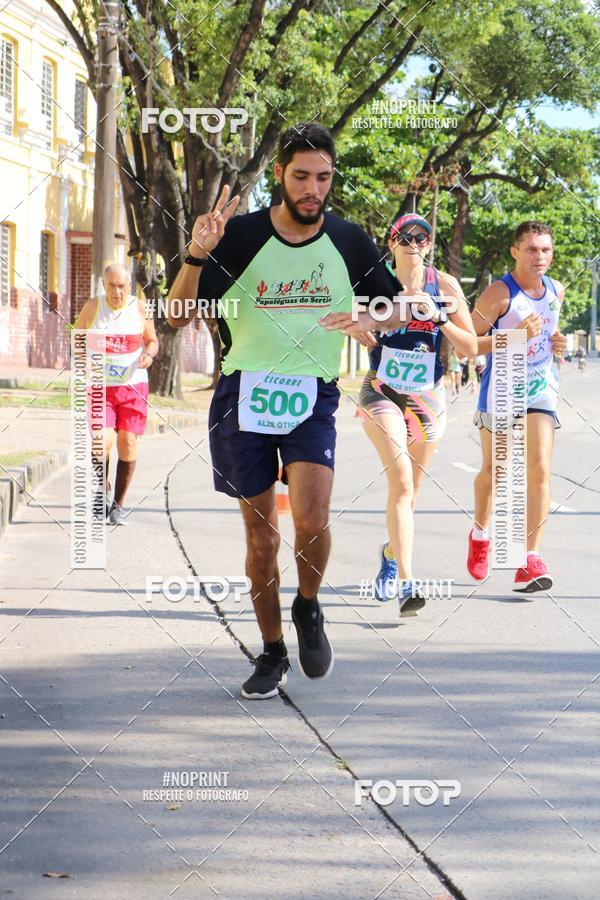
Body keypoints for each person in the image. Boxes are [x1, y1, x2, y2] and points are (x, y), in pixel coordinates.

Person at [167, 123, 401, 699]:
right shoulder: (239, 235)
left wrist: (374, 319)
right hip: (244, 392)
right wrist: (197, 251)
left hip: (312, 394)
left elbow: (396, 309)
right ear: (280, 174)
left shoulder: (349, 241)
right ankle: (271, 653)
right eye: (301, 176)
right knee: (260, 535)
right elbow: (177, 314)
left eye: (323, 177)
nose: (312, 189)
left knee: (313, 519)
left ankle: (309, 604)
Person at [322, 214, 477, 614]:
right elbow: (345, 316)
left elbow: (470, 348)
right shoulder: (374, 281)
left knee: (410, 496)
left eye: (421, 237)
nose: (413, 242)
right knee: (403, 484)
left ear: (429, 244)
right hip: (382, 391)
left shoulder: (444, 286)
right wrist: (353, 327)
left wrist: (438, 316)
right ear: (390, 242)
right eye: (403, 236)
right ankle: (408, 582)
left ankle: (390, 553)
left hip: (428, 396)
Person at [468, 221, 567, 591]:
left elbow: (550, 336)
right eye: (531, 249)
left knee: (540, 467)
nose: (539, 256)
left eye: (545, 249)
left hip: (541, 387)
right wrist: (513, 337)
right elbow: (466, 344)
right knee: (497, 470)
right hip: (503, 386)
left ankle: (530, 559)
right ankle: (480, 534)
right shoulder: (499, 293)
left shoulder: (555, 290)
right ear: (515, 251)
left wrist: (558, 343)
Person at [73, 263, 158, 525]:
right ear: (104, 285)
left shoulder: (141, 308)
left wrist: (149, 354)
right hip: (101, 387)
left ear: (129, 286)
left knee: (128, 443)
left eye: (122, 286)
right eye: (112, 286)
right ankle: (101, 491)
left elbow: (152, 340)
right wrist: (83, 360)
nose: (117, 292)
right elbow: (78, 336)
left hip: (133, 387)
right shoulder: (93, 307)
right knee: (102, 441)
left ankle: (118, 506)